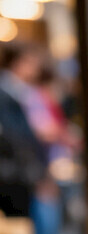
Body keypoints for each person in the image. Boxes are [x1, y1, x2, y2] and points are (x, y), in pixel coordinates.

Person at [0, 42, 48, 222]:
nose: (35, 69)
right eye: (31, 63)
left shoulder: (20, 91)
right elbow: (15, 138)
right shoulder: (7, 93)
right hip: (12, 176)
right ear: (18, 63)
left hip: (16, 174)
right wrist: (37, 173)